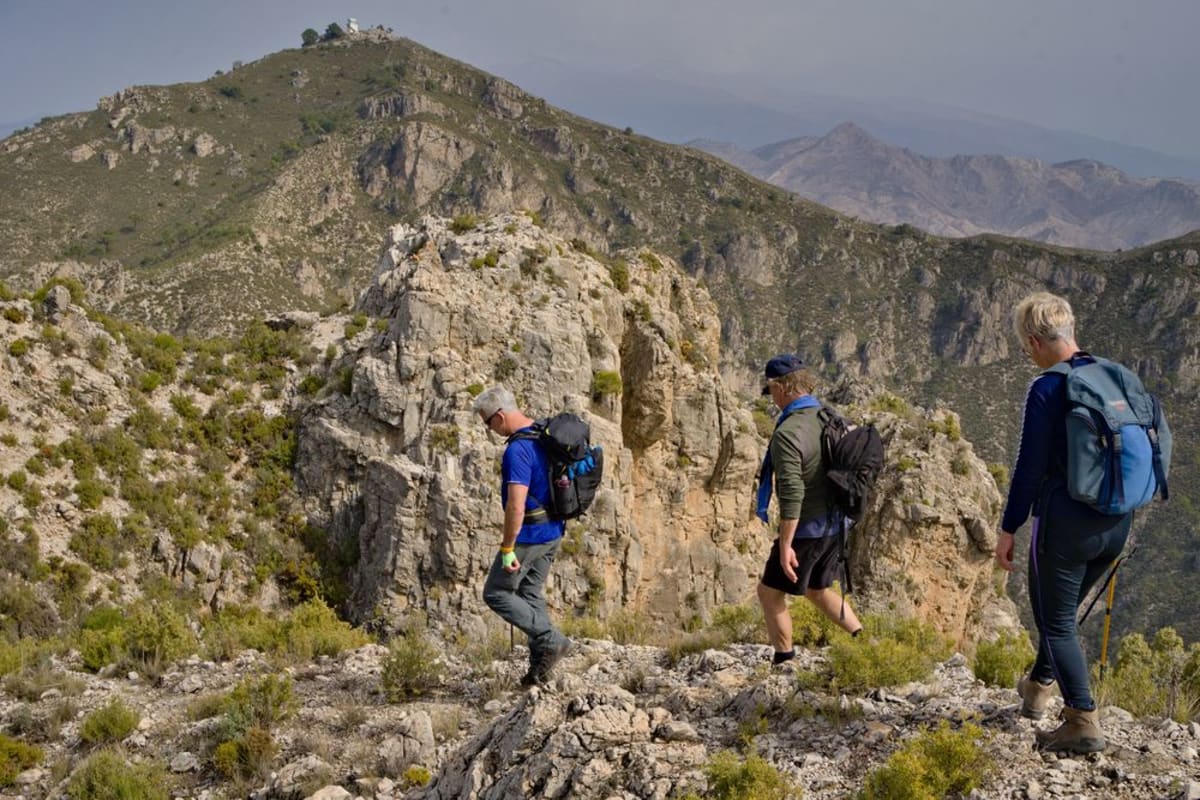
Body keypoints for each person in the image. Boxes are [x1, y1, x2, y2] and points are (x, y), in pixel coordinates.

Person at [995, 291, 1131, 754]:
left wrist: (1009, 527)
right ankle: (1036, 688)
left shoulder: (1048, 387)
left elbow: (1029, 468)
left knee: (1054, 621)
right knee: (1064, 612)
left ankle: (1081, 721)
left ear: (1033, 341)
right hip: (1118, 521)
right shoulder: (1111, 375)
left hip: (1065, 524)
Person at [754, 354, 863, 666]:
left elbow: (791, 493)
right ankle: (861, 637)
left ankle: (784, 661)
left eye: (771, 390)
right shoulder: (828, 416)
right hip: (837, 524)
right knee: (818, 589)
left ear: (784, 388)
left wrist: (786, 544)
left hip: (807, 529)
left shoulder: (788, 433)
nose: (771, 398)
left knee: (770, 593)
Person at [474, 386, 572, 687]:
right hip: (553, 531)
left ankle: (550, 639)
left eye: (488, 422)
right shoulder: (543, 435)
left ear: (500, 416)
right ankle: (539, 671)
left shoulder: (518, 449)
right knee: (529, 595)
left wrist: (507, 547)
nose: (489, 429)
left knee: (496, 593)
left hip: (529, 534)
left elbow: (516, 504)